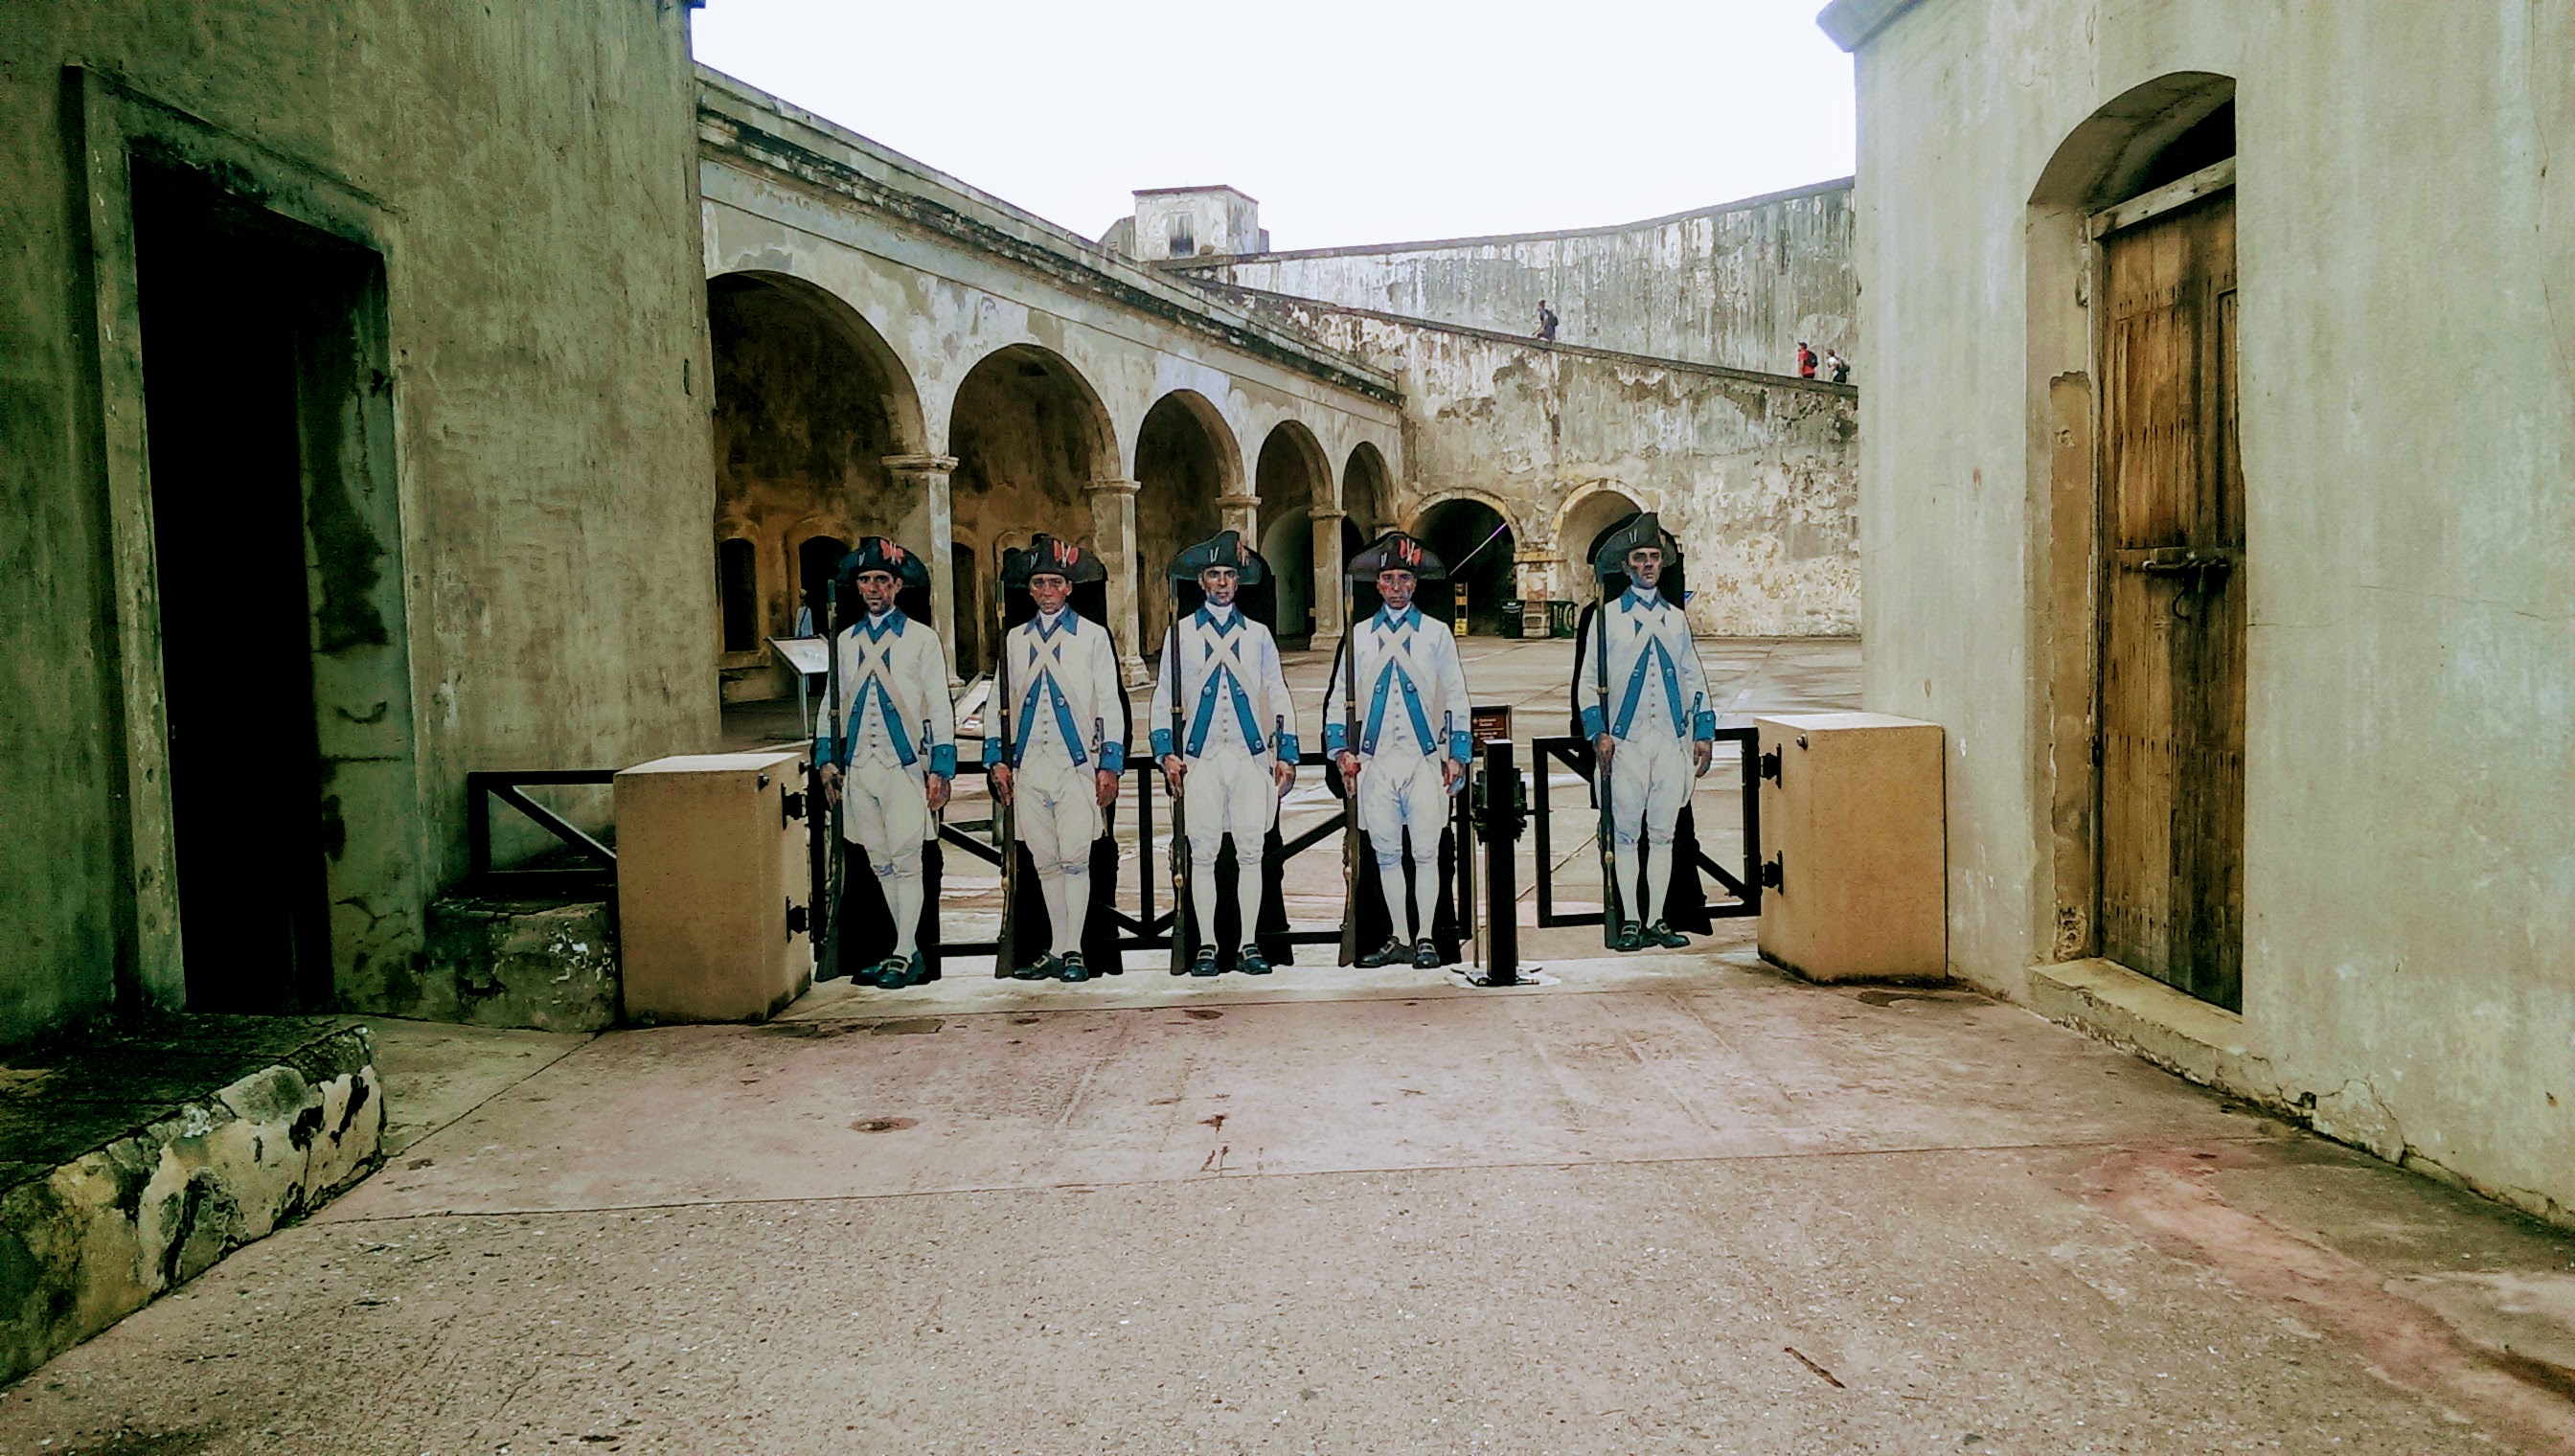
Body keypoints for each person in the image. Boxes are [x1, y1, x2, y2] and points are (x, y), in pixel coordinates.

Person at [1325, 532, 1475, 969]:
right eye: (1388, 578)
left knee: (1426, 852)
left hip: (1424, 759)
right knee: (1387, 854)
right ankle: (1401, 937)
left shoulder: (1436, 634)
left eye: (1403, 579)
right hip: (1375, 760)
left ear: (1414, 584)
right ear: (1378, 585)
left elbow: (1456, 696)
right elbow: (1340, 698)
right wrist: (1340, 753)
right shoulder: (1359, 636)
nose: (1396, 586)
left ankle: (1428, 937)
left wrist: (1457, 753)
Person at [1151, 531, 1297, 977]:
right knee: (1203, 854)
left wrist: (1286, 751)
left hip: (1250, 757)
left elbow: (1277, 691)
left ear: (1239, 582)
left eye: (1228, 574)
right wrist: (1165, 753)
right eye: (1213, 574)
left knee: (1252, 852)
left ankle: (1250, 944)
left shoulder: (1258, 636)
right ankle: (1208, 945)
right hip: (1202, 758)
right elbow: (1163, 697)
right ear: (1200, 582)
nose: (1221, 582)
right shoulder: (1180, 635)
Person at [814, 537, 954, 989]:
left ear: (897, 586)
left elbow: (939, 705)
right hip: (860, 766)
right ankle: (905, 950)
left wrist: (942, 767)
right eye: (866, 580)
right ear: (857, 588)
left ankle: (902, 952)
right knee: (879, 862)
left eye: (882, 580)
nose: (874, 588)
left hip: (904, 765)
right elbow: (830, 704)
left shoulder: (921, 639)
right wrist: (825, 758)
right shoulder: (846, 641)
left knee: (908, 859)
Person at [988, 535, 1127, 983]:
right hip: (1030, 766)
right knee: (1045, 862)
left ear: (1069, 588)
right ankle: (1054, 948)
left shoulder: (1092, 637)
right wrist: (998, 759)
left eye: (1055, 583)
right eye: (1039, 584)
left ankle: (1074, 951)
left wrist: (1110, 763)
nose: (1046, 591)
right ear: (1030, 590)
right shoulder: (1014, 640)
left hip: (1076, 765)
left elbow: (1108, 700)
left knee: (1076, 860)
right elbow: (998, 702)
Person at [1573, 514, 1717, 951]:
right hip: (1625, 743)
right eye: (1641, 557)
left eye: (1655, 557)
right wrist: (1598, 733)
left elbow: (1693, 676)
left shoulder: (1676, 619)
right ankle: (1631, 920)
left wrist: (1704, 731)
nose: (1649, 564)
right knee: (1625, 836)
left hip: (1669, 741)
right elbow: (1587, 682)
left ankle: (1657, 918)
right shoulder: (1606, 618)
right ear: (1627, 565)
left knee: (1663, 835)